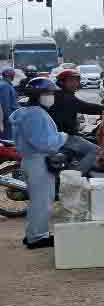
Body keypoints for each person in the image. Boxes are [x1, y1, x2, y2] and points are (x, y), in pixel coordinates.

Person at [10, 78, 66, 249]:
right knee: (42, 202)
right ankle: (37, 237)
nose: (51, 97)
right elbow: (45, 143)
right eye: (48, 93)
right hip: (38, 161)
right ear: (37, 95)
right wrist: (63, 137)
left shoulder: (24, 112)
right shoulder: (36, 114)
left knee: (38, 201)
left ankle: (34, 234)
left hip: (30, 160)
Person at [49, 69, 103, 175]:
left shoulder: (64, 95)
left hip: (62, 134)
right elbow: (85, 107)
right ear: (61, 82)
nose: (75, 83)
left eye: (76, 81)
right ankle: (74, 176)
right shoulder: (63, 96)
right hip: (65, 136)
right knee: (97, 151)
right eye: (71, 81)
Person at [0, 68, 17, 138]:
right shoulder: (5, 86)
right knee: (8, 139)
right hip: (8, 117)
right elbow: (5, 104)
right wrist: (9, 119)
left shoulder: (6, 84)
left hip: (8, 116)